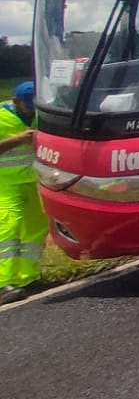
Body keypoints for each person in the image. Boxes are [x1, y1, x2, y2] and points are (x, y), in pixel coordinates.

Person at [0, 81, 47, 304]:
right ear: (16, 101)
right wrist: (18, 140)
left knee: (37, 227)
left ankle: (28, 277)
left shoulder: (41, 112)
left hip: (32, 180)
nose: (31, 109)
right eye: (27, 105)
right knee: (9, 226)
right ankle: (3, 284)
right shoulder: (1, 116)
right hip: (5, 184)